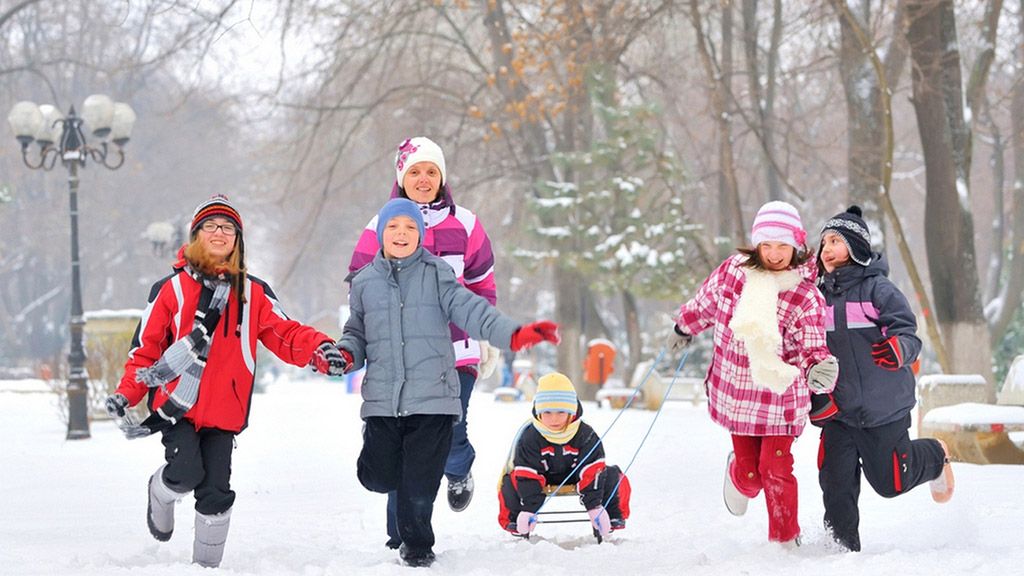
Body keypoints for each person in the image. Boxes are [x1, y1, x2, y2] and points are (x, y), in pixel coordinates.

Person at [104, 195, 346, 568]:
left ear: (238, 240)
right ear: (196, 235)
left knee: (216, 493)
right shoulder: (170, 289)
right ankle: (161, 491)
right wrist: (126, 394)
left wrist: (320, 349)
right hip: (177, 407)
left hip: (225, 412)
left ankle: (205, 569)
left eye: (228, 228)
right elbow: (145, 351)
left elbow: (285, 333)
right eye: (211, 226)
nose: (220, 233)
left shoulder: (254, 293)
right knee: (185, 474)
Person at [337, 198, 559, 567]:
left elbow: (471, 310)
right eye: (394, 227)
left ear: (420, 235)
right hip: (383, 400)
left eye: (410, 228)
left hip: (434, 397)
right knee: (378, 477)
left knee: (419, 485)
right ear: (381, 234)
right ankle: (390, 482)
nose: (402, 234)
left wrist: (514, 335)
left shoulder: (437, 273)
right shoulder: (364, 283)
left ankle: (418, 549)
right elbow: (355, 333)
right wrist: (344, 354)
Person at [347, 136, 495, 547]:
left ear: (442, 176)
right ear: (401, 177)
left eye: (431, 171)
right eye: (415, 171)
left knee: (451, 432)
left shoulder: (464, 223)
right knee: (402, 442)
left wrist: (484, 336)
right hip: (399, 356)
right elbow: (359, 286)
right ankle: (403, 536)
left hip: (454, 353)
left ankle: (459, 466)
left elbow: (482, 282)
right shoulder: (381, 224)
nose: (424, 178)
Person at [667, 200, 838, 547]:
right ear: (757, 244)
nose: (774, 254)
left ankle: (785, 541)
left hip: (779, 398)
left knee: (775, 469)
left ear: (796, 246)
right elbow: (706, 302)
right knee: (751, 477)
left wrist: (818, 364)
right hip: (739, 395)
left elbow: (811, 341)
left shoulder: (804, 294)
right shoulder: (734, 272)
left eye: (783, 245)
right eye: (767, 245)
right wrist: (684, 326)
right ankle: (738, 473)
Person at [815, 205, 954, 552]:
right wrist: (815, 394)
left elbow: (908, 332)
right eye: (823, 243)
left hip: (882, 407)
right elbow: (807, 349)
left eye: (835, 240)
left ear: (856, 247)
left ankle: (935, 455)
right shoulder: (816, 297)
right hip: (839, 411)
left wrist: (898, 349)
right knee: (835, 481)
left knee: (891, 481)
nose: (826, 249)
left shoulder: (878, 289)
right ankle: (840, 547)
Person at [497, 372, 631, 540]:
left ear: (572, 411)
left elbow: (593, 469)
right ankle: (516, 519)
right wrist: (529, 509)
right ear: (539, 413)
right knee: (510, 480)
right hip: (540, 478)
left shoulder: (585, 434)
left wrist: (594, 506)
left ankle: (611, 516)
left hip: (577, 477)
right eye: (547, 412)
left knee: (613, 474)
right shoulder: (530, 437)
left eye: (561, 412)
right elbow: (527, 472)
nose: (554, 419)